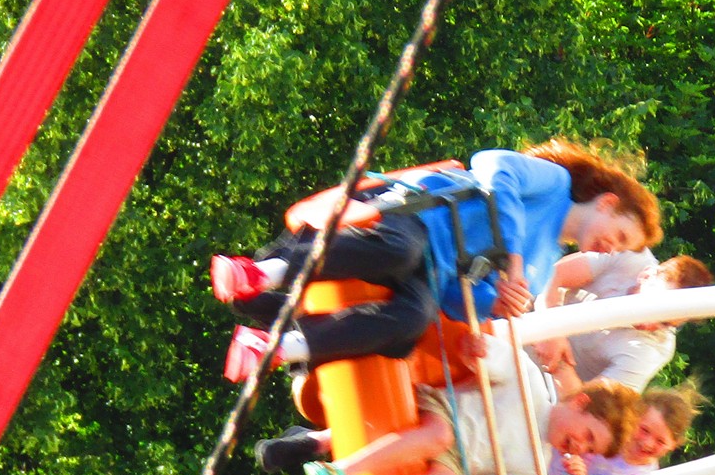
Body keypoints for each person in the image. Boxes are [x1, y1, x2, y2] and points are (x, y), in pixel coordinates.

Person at [212, 140, 661, 381]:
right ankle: (260, 273)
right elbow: (493, 166)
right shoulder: (553, 185)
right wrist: (514, 258)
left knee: (414, 319)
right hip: (422, 221)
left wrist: (493, 305)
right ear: (605, 203)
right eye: (619, 235)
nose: (610, 248)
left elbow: (455, 299)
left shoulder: (545, 264)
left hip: (435, 273)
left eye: (621, 249)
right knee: (398, 250)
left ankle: (273, 347)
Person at [302, 342, 640, 475]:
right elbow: (485, 356)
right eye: (588, 436)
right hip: (444, 411)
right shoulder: (531, 383)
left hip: (456, 462)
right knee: (440, 436)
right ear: (580, 404)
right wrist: (478, 352)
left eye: (590, 450)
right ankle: (339, 472)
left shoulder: (537, 469)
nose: (580, 448)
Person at [536, 252, 714, 392]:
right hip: (523, 319)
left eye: (666, 324)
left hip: (542, 393)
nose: (653, 325)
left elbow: (585, 405)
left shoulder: (655, 349)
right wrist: (551, 330)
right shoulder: (630, 254)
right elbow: (553, 274)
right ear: (647, 275)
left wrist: (556, 357)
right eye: (657, 309)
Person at [556, 380, 704, 475]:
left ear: (673, 445)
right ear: (634, 416)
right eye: (644, 430)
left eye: (660, 441)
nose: (647, 443)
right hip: (540, 467)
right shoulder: (608, 427)